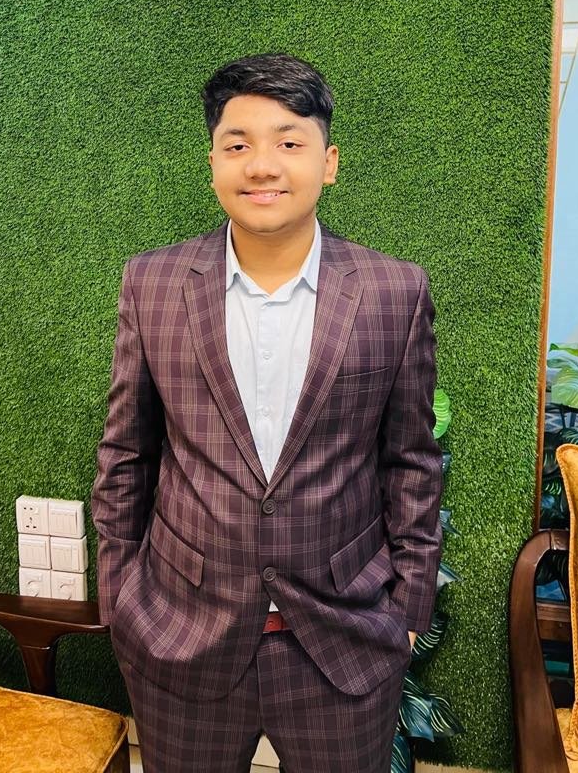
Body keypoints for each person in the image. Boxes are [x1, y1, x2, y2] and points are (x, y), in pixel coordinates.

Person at [91, 52, 444, 773]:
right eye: (238, 144)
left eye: (289, 142)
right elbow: (126, 454)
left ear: (328, 162)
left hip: (345, 640)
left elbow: (411, 463)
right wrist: (122, 598)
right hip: (181, 635)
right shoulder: (152, 284)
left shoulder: (394, 292)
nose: (262, 166)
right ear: (213, 163)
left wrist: (408, 613)